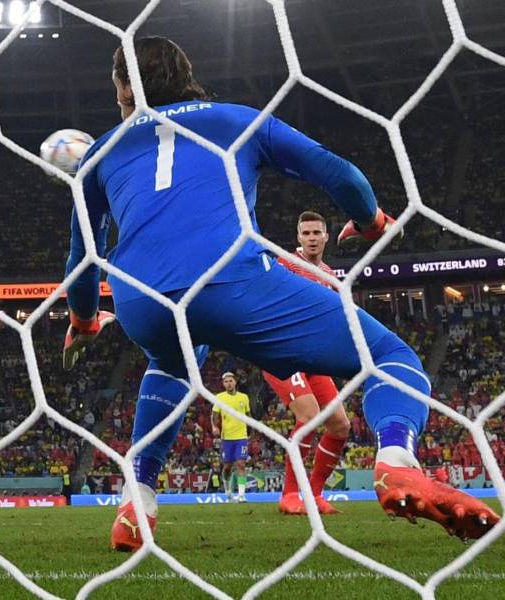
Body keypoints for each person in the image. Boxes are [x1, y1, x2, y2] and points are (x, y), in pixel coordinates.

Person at [61, 36, 499, 552]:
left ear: (123, 86)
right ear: (185, 78)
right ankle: (396, 460)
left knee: (173, 363)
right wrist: (369, 219)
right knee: (387, 355)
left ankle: (139, 497)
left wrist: (86, 321)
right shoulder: (234, 118)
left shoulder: (101, 151)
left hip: (141, 300)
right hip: (229, 279)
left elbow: (81, 259)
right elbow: (338, 171)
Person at [262, 211, 350, 516]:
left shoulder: (329, 274)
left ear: (326, 236)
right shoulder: (284, 263)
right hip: (282, 355)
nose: (312, 238)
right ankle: (289, 495)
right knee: (310, 415)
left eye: (317, 233)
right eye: (306, 233)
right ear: (298, 238)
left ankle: (313, 495)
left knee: (340, 424)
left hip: (313, 359)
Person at [210, 372, 250, 502]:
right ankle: (228, 490)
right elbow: (214, 415)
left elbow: (248, 415)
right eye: (226, 381)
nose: (229, 383)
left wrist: (252, 431)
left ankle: (241, 495)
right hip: (227, 437)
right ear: (223, 384)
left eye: (231, 381)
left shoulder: (244, 397)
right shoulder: (220, 397)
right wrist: (214, 427)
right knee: (227, 467)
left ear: (235, 382)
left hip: (241, 436)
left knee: (241, 464)